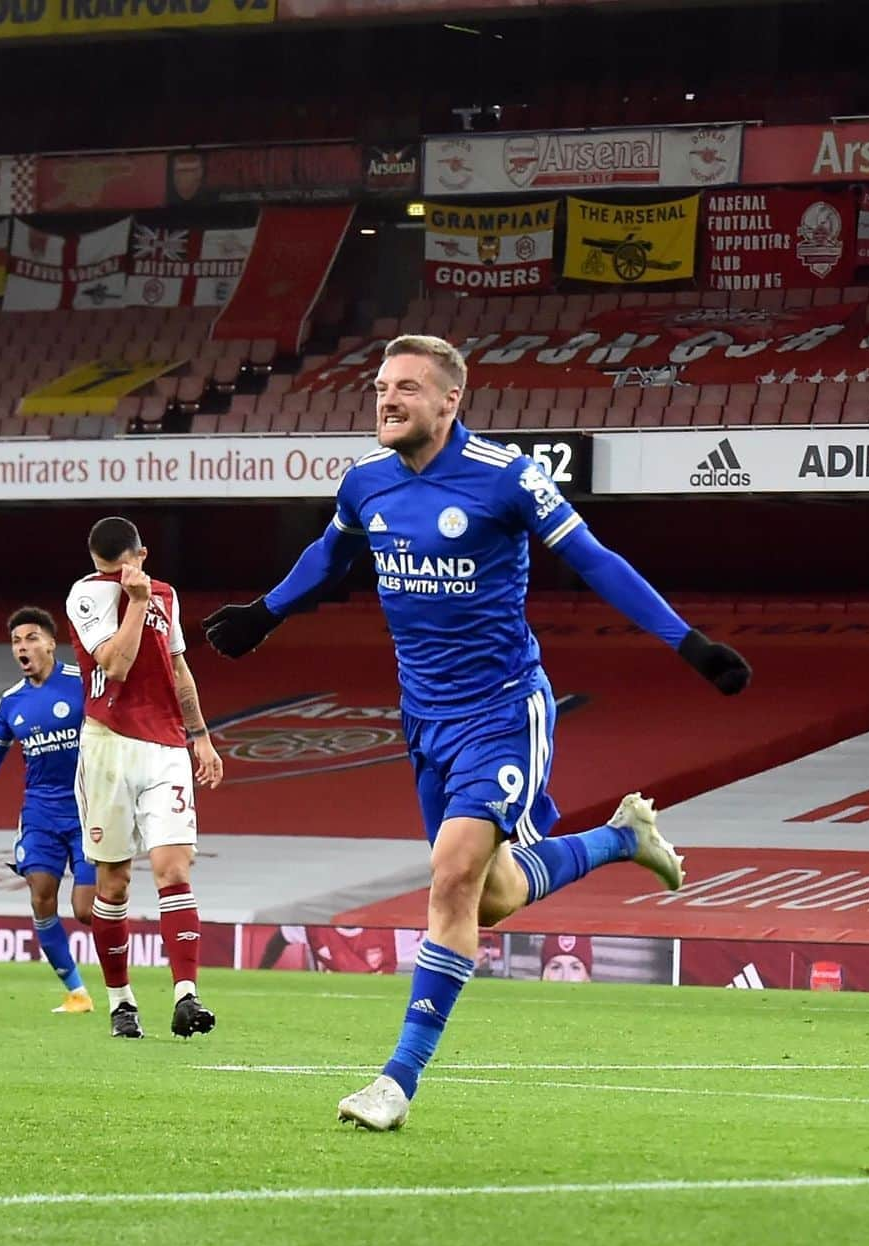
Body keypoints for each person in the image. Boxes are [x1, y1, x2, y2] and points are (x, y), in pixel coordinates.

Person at [203, 334, 751, 1129]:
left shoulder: (508, 480)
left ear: (451, 400)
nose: (387, 400)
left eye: (406, 389)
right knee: (487, 896)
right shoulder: (366, 483)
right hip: (423, 718)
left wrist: (688, 642)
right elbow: (329, 556)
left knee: (452, 874)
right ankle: (622, 839)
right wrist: (265, 613)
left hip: (501, 709)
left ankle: (396, 1081)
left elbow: (596, 560)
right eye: (382, 386)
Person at [65, 516, 223, 1040]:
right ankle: (120, 1001)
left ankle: (186, 996)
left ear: (143, 555)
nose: (120, 574)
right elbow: (116, 665)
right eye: (112, 568)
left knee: (173, 869)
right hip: (107, 746)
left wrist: (200, 733)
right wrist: (134, 601)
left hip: (165, 748)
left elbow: (177, 668)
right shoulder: (87, 595)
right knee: (113, 881)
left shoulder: (167, 595)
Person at [0, 607, 95, 1014]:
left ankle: (120, 977)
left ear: (51, 642)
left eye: (31, 638)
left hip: (88, 808)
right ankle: (77, 993)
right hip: (40, 813)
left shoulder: (81, 683)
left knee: (86, 910)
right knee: (41, 898)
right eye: (16, 641)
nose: (22, 647)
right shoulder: (11, 703)